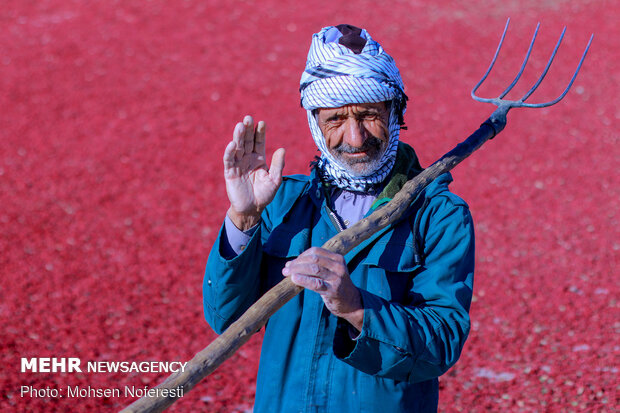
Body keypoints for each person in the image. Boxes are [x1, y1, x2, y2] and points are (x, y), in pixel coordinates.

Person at [203, 24, 474, 413]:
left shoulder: (439, 215)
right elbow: (227, 318)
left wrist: (355, 306)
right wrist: (243, 218)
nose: (355, 137)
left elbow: (442, 342)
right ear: (315, 122)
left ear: (395, 111)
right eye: (335, 120)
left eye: (368, 115)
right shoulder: (284, 201)